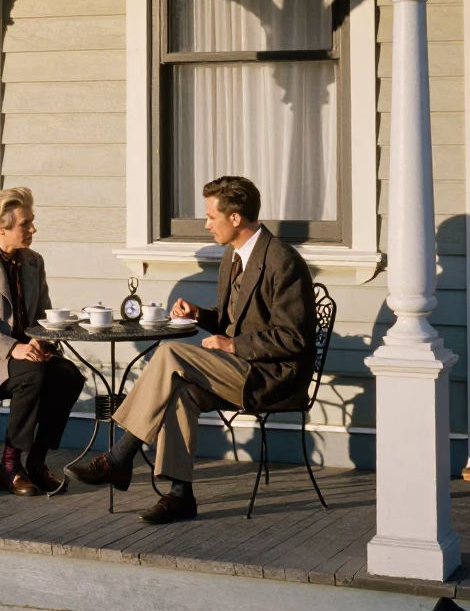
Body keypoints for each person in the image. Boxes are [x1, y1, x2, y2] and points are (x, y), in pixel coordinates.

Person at [66, 176, 316, 524]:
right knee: (178, 390)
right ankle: (180, 495)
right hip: (241, 367)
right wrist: (201, 316)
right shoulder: (233, 257)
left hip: (272, 376)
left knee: (170, 354)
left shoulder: (282, 260)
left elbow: (294, 339)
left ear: (235, 218)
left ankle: (119, 457)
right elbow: (236, 320)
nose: (206, 223)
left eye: (212, 216)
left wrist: (232, 344)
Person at [0, 187, 85, 496]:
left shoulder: (33, 262)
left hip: (26, 359)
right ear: (1, 227)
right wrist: (16, 348)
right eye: (25, 224)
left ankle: (37, 461)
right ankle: (10, 465)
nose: (32, 229)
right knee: (32, 375)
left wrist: (45, 343)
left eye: (32, 221)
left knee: (68, 375)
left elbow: (41, 319)